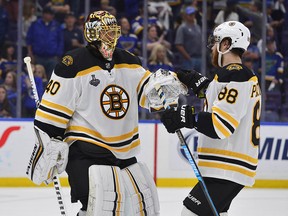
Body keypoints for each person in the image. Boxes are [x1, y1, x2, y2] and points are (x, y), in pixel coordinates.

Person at [26, 10, 160, 216]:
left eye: (113, 32)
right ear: (92, 34)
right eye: (105, 32)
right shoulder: (73, 64)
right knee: (100, 209)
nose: (111, 37)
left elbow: (151, 97)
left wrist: (168, 90)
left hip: (124, 152)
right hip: (86, 151)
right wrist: (49, 147)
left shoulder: (131, 61)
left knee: (140, 207)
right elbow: (50, 116)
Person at [160, 21, 261, 215]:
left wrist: (185, 116)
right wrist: (200, 84)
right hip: (226, 167)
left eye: (215, 43)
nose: (212, 48)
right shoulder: (235, 75)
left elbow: (220, 125)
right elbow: (225, 101)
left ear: (226, 45)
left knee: (189, 213)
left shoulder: (235, 76)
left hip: (227, 166)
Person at [26, 6, 64, 79]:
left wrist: (58, 55)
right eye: (50, 14)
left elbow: (60, 41)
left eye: (52, 14)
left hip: (52, 58)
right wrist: (30, 53)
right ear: (44, 14)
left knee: (52, 79)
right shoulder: (35, 24)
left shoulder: (56, 25)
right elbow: (29, 39)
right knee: (37, 78)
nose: (52, 16)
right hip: (38, 56)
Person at [174, 6, 202, 72]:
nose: (192, 16)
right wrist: (188, 57)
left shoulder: (197, 27)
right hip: (188, 59)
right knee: (189, 79)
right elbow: (178, 44)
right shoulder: (182, 28)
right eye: (190, 14)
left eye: (193, 14)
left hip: (199, 57)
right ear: (186, 16)